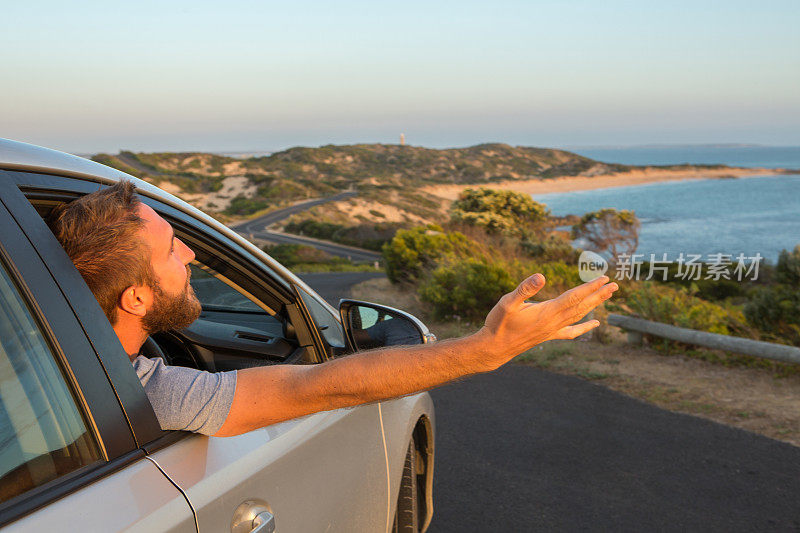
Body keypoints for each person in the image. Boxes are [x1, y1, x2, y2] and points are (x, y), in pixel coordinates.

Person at [48, 180, 618, 438]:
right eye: (175, 249)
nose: (193, 252)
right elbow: (315, 388)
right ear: (136, 298)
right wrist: (488, 349)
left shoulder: (44, 360)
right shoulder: (140, 392)